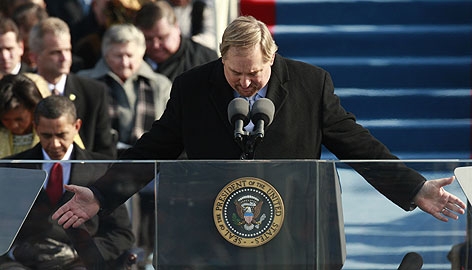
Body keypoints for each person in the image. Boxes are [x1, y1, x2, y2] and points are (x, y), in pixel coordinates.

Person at [53, 14, 465, 242]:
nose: (246, 82)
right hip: (211, 225)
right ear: (221, 59)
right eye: (235, 73)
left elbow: (356, 143)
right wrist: (103, 193)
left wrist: (413, 186)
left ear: (273, 57)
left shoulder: (310, 83)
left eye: (255, 74)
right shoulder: (194, 86)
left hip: (292, 224)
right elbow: (155, 147)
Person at [0, 95, 135, 269]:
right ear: (36, 128)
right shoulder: (12, 167)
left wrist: (78, 254)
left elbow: (121, 234)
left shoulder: (102, 168)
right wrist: (14, 251)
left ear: (76, 126)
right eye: (46, 135)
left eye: (61, 135)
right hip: (22, 263)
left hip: (79, 263)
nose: (55, 144)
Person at [28, 17, 116, 158]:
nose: (65, 58)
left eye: (67, 50)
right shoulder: (21, 92)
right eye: (56, 52)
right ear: (34, 57)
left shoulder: (93, 92)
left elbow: (104, 152)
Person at [78, 23, 172, 153]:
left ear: (141, 53)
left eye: (129, 55)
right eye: (118, 56)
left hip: (149, 162)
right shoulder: (85, 82)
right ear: (106, 55)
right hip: (99, 161)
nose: (124, 63)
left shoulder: (160, 85)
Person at [134, 1, 218, 82]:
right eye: (148, 39)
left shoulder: (205, 59)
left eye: (161, 38)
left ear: (176, 27)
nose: (155, 45)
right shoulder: (128, 61)